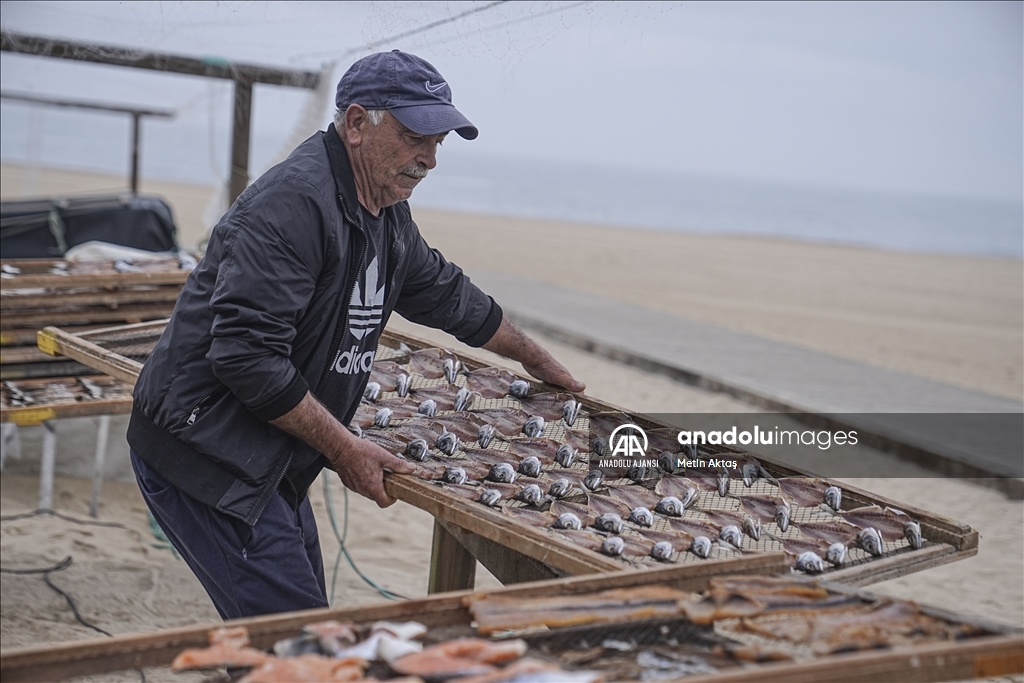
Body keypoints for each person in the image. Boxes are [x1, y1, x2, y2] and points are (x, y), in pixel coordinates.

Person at [126, 50, 584, 620]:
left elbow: (446, 294)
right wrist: (344, 449)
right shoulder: (291, 204)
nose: (430, 159)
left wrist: (536, 359)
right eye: (417, 135)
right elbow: (247, 358)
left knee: (300, 629)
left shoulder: (385, 207)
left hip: (269, 451)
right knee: (302, 639)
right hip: (206, 451)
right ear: (356, 123)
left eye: (439, 141)